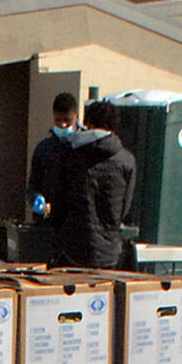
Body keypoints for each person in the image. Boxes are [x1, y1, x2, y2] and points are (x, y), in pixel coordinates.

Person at [48, 98, 136, 269]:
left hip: (72, 250)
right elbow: (124, 208)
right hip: (109, 252)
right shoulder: (127, 160)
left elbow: (58, 204)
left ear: (87, 123)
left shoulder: (68, 155)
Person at [27, 91, 80, 222]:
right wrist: (35, 198)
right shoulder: (44, 148)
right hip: (47, 221)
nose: (62, 125)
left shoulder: (81, 147)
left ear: (76, 117)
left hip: (73, 222)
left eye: (67, 120)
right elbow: (33, 184)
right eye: (58, 120)